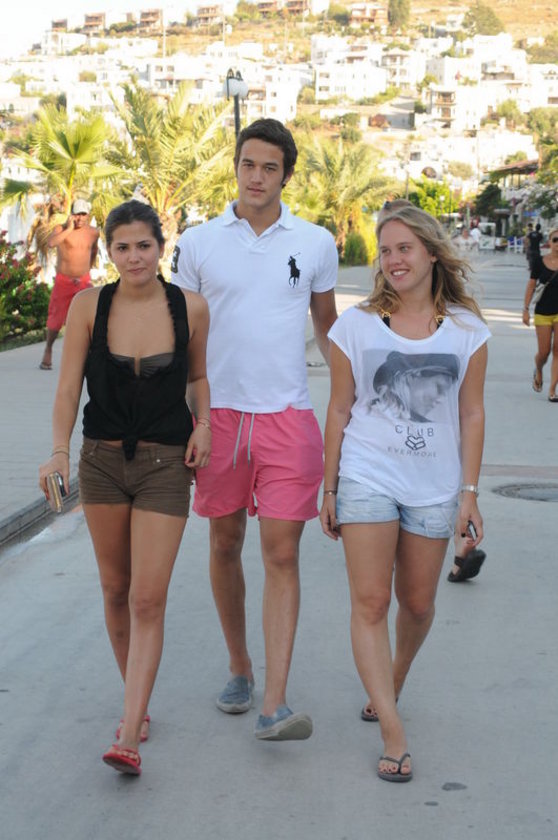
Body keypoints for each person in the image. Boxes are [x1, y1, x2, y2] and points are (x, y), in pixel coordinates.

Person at [171, 118, 338, 741]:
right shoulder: (198, 243)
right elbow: (181, 335)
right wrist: (187, 418)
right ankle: (239, 667)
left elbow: (328, 328)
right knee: (224, 543)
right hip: (217, 419)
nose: (257, 177)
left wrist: (359, 396)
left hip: (288, 418)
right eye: (248, 164)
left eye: (270, 168)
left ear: (286, 175)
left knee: (283, 553)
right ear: (236, 167)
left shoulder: (316, 242)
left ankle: (275, 702)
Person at [39, 200, 211, 776]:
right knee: (116, 589)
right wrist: (58, 450)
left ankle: (130, 729)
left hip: (166, 465)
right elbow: (68, 389)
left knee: (146, 598)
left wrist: (205, 424)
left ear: (161, 247)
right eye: (122, 247)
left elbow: (197, 376)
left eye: (144, 245)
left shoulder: (190, 307)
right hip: (102, 463)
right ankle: (137, 702)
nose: (134, 257)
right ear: (108, 251)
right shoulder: (89, 306)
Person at [319, 202, 490, 782]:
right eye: (385, 250)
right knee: (370, 603)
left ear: (432, 254)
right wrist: (330, 486)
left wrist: (469, 491)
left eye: (404, 248)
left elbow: (471, 413)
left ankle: (392, 680)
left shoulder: (467, 330)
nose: (393, 260)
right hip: (367, 473)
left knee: (416, 604)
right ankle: (392, 730)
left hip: (434, 484)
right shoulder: (355, 326)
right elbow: (339, 409)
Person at [39, 199, 100, 370]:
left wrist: (89, 268)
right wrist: (69, 229)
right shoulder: (61, 230)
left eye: (83, 214)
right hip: (64, 281)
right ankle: (48, 348)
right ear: (71, 214)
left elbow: (93, 250)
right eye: (77, 214)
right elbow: (51, 243)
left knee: (90, 317)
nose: (80, 218)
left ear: (88, 215)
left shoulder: (93, 232)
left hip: (83, 281)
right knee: (56, 319)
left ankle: (89, 355)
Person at [522, 226, 558, 402]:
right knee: (544, 352)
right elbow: (531, 285)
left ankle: (552, 390)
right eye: (555, 240)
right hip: (543, 312)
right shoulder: (539, 262)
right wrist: (525, 309)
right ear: (549, 242)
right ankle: (539, 369)